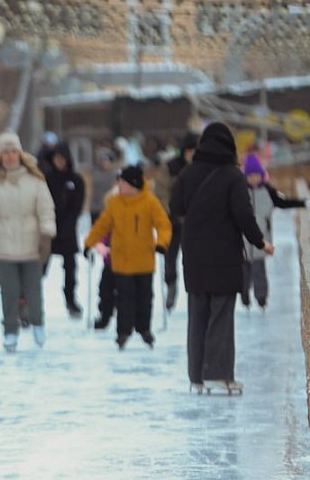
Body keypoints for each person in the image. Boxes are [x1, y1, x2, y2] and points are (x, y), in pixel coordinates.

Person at [170, 122, 274, 394]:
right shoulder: (232, 176)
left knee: (198, 315)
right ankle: (218, 375)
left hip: (193, 254)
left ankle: (197, 378)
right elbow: (243, 215)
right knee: (221, 316)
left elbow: (176, 207)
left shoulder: (188, 173)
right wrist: (260, 241)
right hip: (225, 256)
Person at [0, 132, 56, 352]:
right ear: (0, 156)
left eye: (13, 152)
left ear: (20, 154)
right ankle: (10, 331)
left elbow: (46, 209)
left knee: (33, 290)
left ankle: (37, 323)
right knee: (9, 292)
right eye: (5, 152)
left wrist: (46, 234)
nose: (9, 156)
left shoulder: (35, 180)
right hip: (3, 245)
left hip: (31, 244)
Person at [83, 165, 172, 349]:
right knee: (124, 298)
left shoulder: (150, 202)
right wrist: (89, 243)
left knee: (145, 298)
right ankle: (123, 332)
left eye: (122, 182)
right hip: (121, 261)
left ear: (133, 184)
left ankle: (144, 329)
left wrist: (162, 243)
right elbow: (102, 225)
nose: (119, 185)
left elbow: (163, 224)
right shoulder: (115, 203)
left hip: (144, 261)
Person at [241, 153, 308, 309]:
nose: (254, 179)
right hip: (243, 241)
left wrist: (303, 203)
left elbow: (282, 202)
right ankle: (244, 294)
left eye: (256, 175)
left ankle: (261, 298)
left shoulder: (267, 191)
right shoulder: (240, 192)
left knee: (259, 271)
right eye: (250, 176)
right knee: (244, 273)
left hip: (261, 239)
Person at [44, 142, 86, 318]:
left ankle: (70, 299)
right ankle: (30, 301)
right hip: (48, 229)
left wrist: (68, 225)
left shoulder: (76, 180)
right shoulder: (46, 178)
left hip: (68, 230)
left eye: (62, 158)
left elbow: (77, 206)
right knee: (40, 266)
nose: (59, 162)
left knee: (70, 267)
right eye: (56, 158)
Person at [160, 132, 198, 310]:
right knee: (170, 257)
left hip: (194, 223)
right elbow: (162, 192)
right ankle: (171, 285)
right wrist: (171, 211)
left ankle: (195, 290)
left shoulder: (201, 168)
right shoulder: (171, 167)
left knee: (193, 259)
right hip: (172, 221)